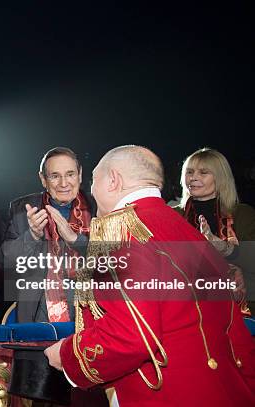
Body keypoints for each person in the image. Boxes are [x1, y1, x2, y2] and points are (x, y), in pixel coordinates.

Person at [44, 145, 255, 406]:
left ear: (113, 180)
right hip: (224, 392)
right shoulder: (187, 230)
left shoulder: (122, 231)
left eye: (94, 180)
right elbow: (235, 332)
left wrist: (67, 356)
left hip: (164, 395)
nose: (91, 190)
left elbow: (130, 335)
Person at [0, 147, 94, 322]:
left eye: (70, 174)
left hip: (92, 310)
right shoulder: (22, 209)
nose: (64, 183)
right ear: (43, 179)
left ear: (80, 175)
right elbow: (5, 262)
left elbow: (117, 260)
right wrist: (32, 235)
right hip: (39, 311)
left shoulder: (98, 206)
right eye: (55, 176)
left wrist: (75, 240)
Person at [175, 147, 255, 312]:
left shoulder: (243, 214)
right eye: (189, 172)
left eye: (203, 172)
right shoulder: (173, 215)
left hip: (237, 311)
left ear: (220, 179)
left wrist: (225, 249)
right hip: (186, 309)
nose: (194, 177)